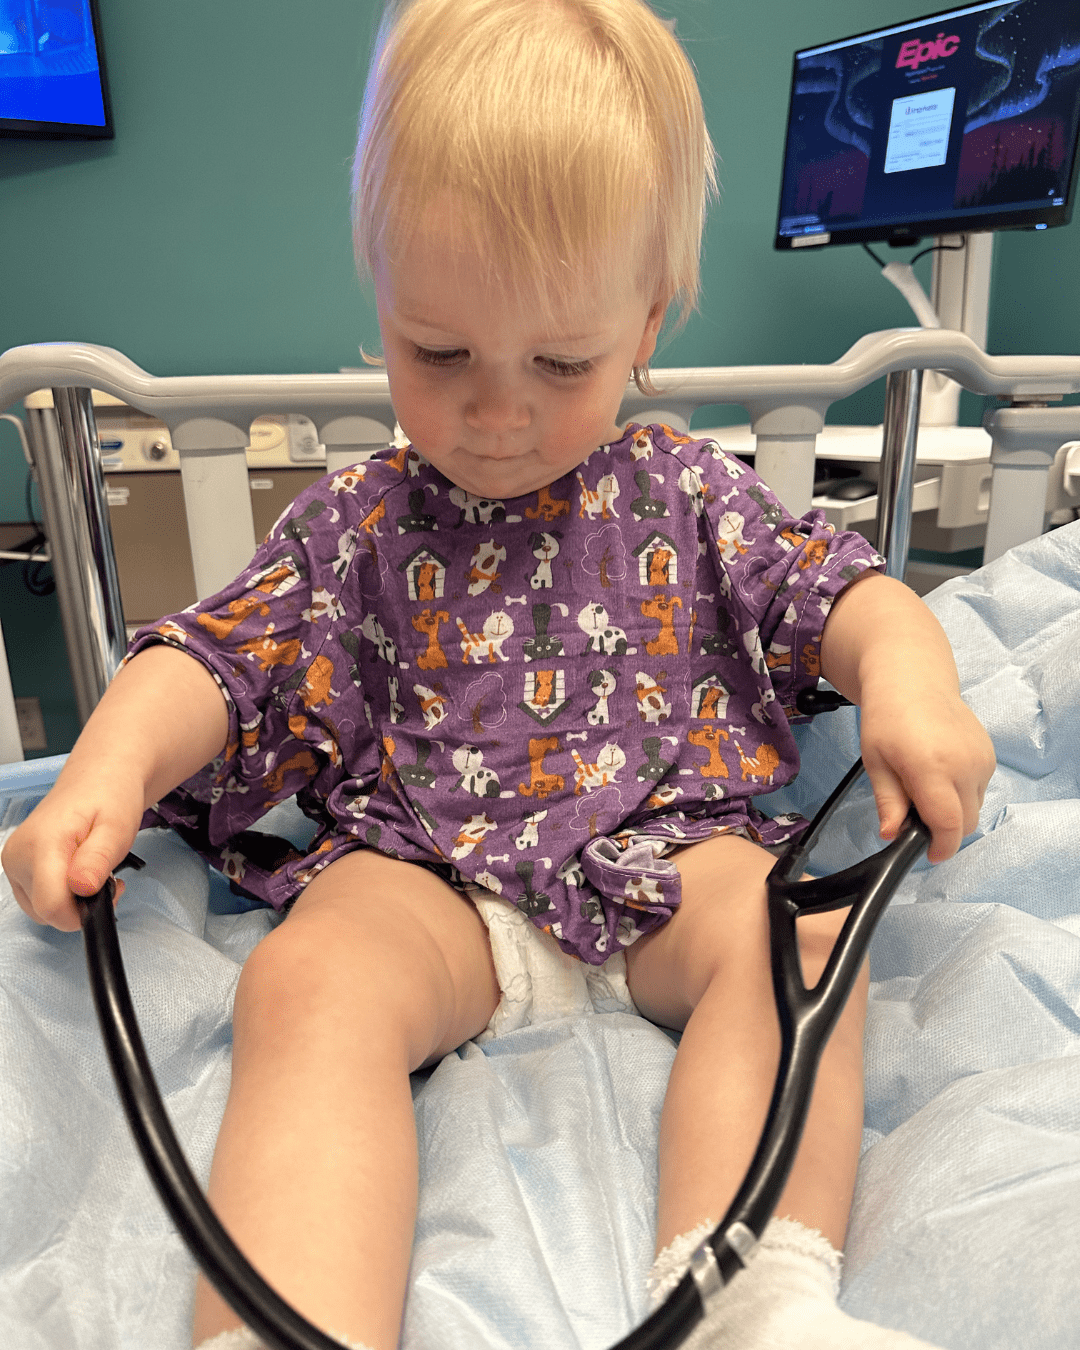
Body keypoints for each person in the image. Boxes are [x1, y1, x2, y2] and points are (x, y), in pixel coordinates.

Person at [2, 2, 997, 1347]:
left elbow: (854, 597)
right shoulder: (354, 523)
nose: (497, 407)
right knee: (305, 984)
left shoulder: (693, 497)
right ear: (382, 295)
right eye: (442, 350)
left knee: (793, 934)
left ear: (645, 323)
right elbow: (209, 659)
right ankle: (279, 1323)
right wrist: (112, 762)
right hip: (427, 881)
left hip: (668, 859)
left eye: (561, 361)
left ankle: (752, 1294)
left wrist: (912, 685)